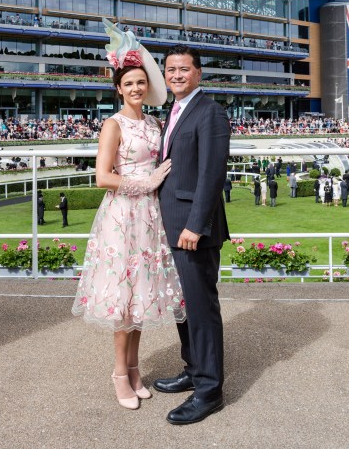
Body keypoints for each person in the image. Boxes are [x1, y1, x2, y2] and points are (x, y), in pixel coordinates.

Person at [72, 20, 183, 411]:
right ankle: (120, 373)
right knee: (123, 297)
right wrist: (147, 181)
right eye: (129, 83)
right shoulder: (112, 124)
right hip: (123, 217)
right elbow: (103, 177)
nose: (136, 88)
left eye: (141, 83)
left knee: (141, 297)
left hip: (150, 217)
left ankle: (134, 368)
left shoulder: (153, 122)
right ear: (118, 88)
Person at [155, 44, 230, 425]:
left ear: (198, 73)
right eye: (171, 70)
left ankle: (209, 389)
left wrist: (195, 226)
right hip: (172, 224)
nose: (177, 75)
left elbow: (212, 174)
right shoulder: (175, 110)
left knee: (201, 309)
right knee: (183, 306)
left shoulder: (210, 112)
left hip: (192, 229)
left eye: (184, 69)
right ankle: (192, 367)